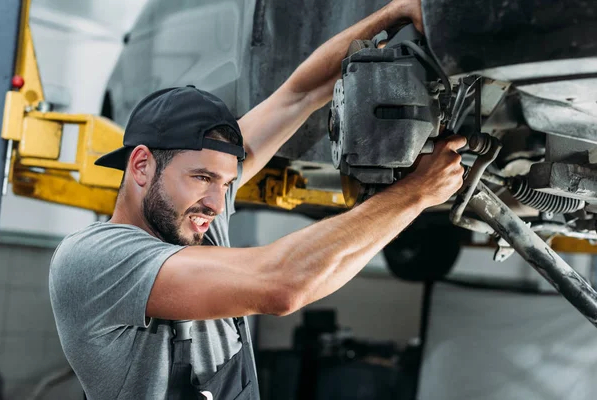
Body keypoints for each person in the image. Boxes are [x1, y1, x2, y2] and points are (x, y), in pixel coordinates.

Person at [49, 0, 465, 398]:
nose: (217, 203)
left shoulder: (188, 224)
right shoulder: (93, 260)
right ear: (140, 166)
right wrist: (415, 194)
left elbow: (300, 94)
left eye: (227, 183)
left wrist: (392, 15)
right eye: (202, 178)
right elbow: (283, 285)